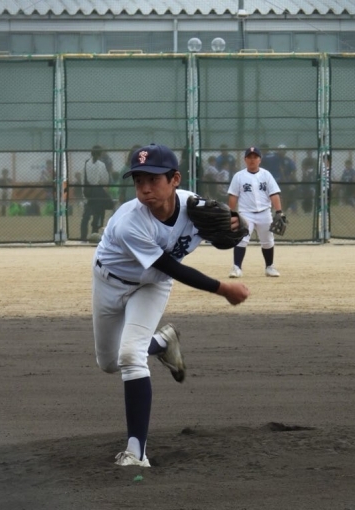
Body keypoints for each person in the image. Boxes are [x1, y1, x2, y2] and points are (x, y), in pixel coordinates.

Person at [92, 143, 249, 467]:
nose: (145, 188)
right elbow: (172, 267)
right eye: (138, 180)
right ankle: (163, 342)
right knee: (108, 363)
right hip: (110, 282)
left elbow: (227, 229)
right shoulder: (131, 223)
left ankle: (136, 452)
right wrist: (224, 289)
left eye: (153, 179)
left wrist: (235, 225)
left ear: (175, 179)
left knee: (130, 356)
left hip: (152, 287)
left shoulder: (194, 207)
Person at [227, 146, 283, 278]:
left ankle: (269, 267)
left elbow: (274, 194)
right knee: (241, 239)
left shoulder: (266, 175)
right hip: (245, 214)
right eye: (249, 157)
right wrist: (231, 213)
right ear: (245, 159)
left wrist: (279, 211)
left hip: (264, 212)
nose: (252, 160)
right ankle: (237, 268)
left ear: (260, 160)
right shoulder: (239, 176)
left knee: (268, 241)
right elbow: (233, 196)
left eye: (255, 157)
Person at [80, 145, 112, 241]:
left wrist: (84, 193)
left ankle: (83, 237)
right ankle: (95, 235)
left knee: (86, 216)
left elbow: (83, 179)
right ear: (100, 153)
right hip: (98, 192)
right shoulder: (101, 165)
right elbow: (105, 180)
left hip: (88, 192)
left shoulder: (86, 164)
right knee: (98, 215)